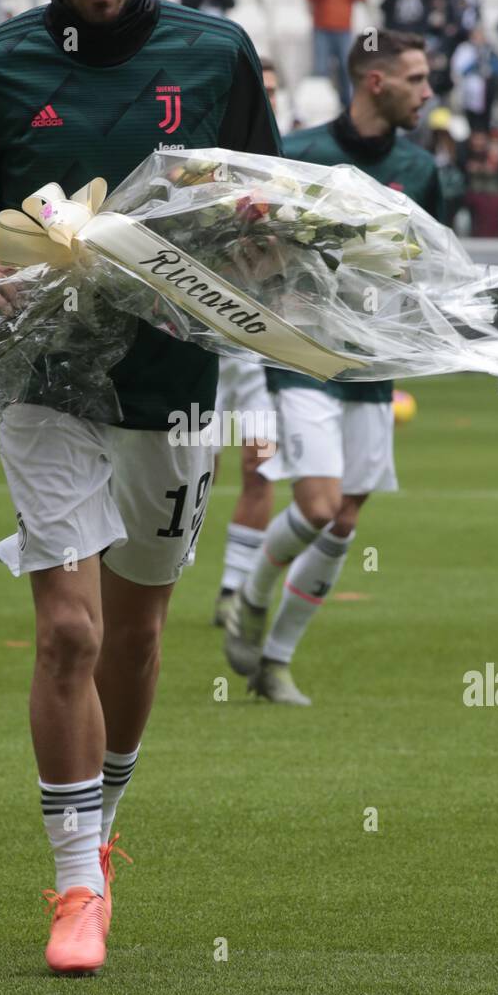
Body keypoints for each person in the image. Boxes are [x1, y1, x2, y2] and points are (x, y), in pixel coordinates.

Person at [0, 0, 280, 977]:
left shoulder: (215, 53)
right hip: (46, 378)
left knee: (136, 632)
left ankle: (102, 830)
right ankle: (74, 882)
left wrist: (259, 223)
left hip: (172, 383)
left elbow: (261, 190)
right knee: (67, 629)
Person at [224, 31, 442, 705]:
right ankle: (250, 600)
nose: (427, 91)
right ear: (375, 82)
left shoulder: (420, 168)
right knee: (315, 507)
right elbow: (252, 250)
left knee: (345, 520)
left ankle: (276, 664)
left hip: (372, 361)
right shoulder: (299, 154)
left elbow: (422, 267)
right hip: (305, 354)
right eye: (415, 78)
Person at [212, 57, 282, 627]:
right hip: (198, 336)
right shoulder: (204, 167)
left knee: (261, 468)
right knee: (173, 465)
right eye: (264, 91)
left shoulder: (290, 173)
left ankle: (233, 590)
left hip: (257, 343)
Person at [303, 0, 366, 106]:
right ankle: (320, 105)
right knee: (321, 69)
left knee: (346, 68)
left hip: (344, 28)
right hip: (322, 28)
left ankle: (347, 105)